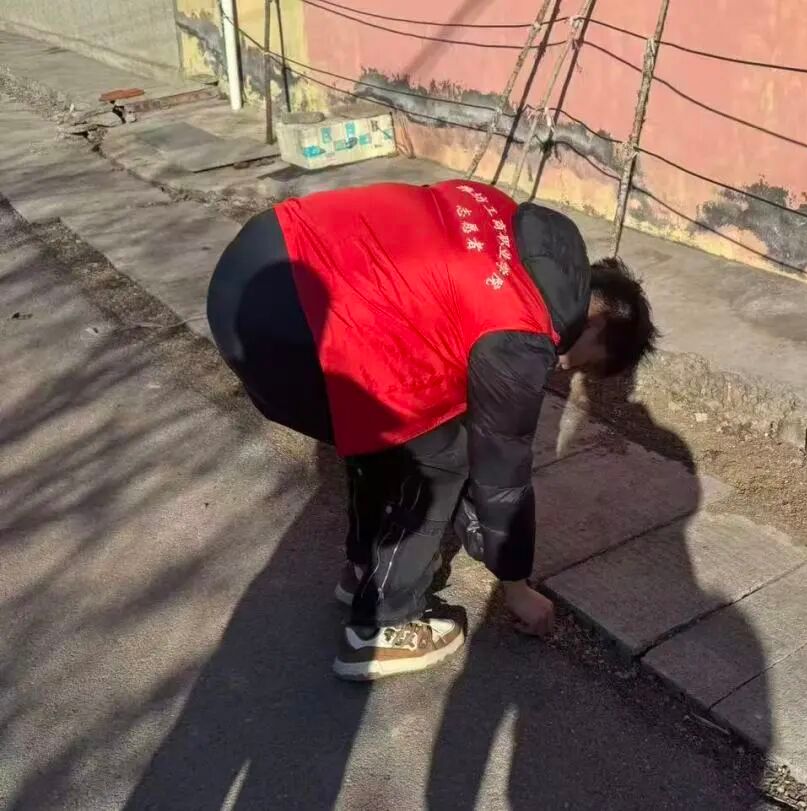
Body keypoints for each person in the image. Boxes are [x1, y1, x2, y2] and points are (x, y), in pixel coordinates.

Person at [205, 180, 656, 681]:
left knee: (397, 432)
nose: (564, 368)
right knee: (441, 459)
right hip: (290, 327)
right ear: (598, 325)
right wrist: (515, 584)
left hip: (264, 258)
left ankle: (365, 574)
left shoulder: (506, 214)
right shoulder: (522, 329)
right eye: (586, 364)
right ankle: (381, 628)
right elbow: (501, 471)